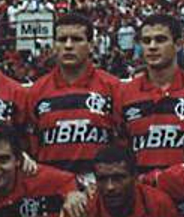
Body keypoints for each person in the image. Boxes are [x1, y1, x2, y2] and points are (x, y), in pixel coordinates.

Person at [22, 11, 121, 184]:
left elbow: (122, 143)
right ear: (54, 45)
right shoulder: (35, 92)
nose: (68, 46)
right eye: (62, 40)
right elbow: (31, 147)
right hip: (51, 188)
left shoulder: (113, 87)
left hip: (102, 191)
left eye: (76, 39)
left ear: (91, 45)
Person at [115, 13, 184, 174]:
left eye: (160, 40)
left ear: (179, 44)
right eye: (146, 41)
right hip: (141, 192)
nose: (152, 46)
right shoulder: (124, 93)